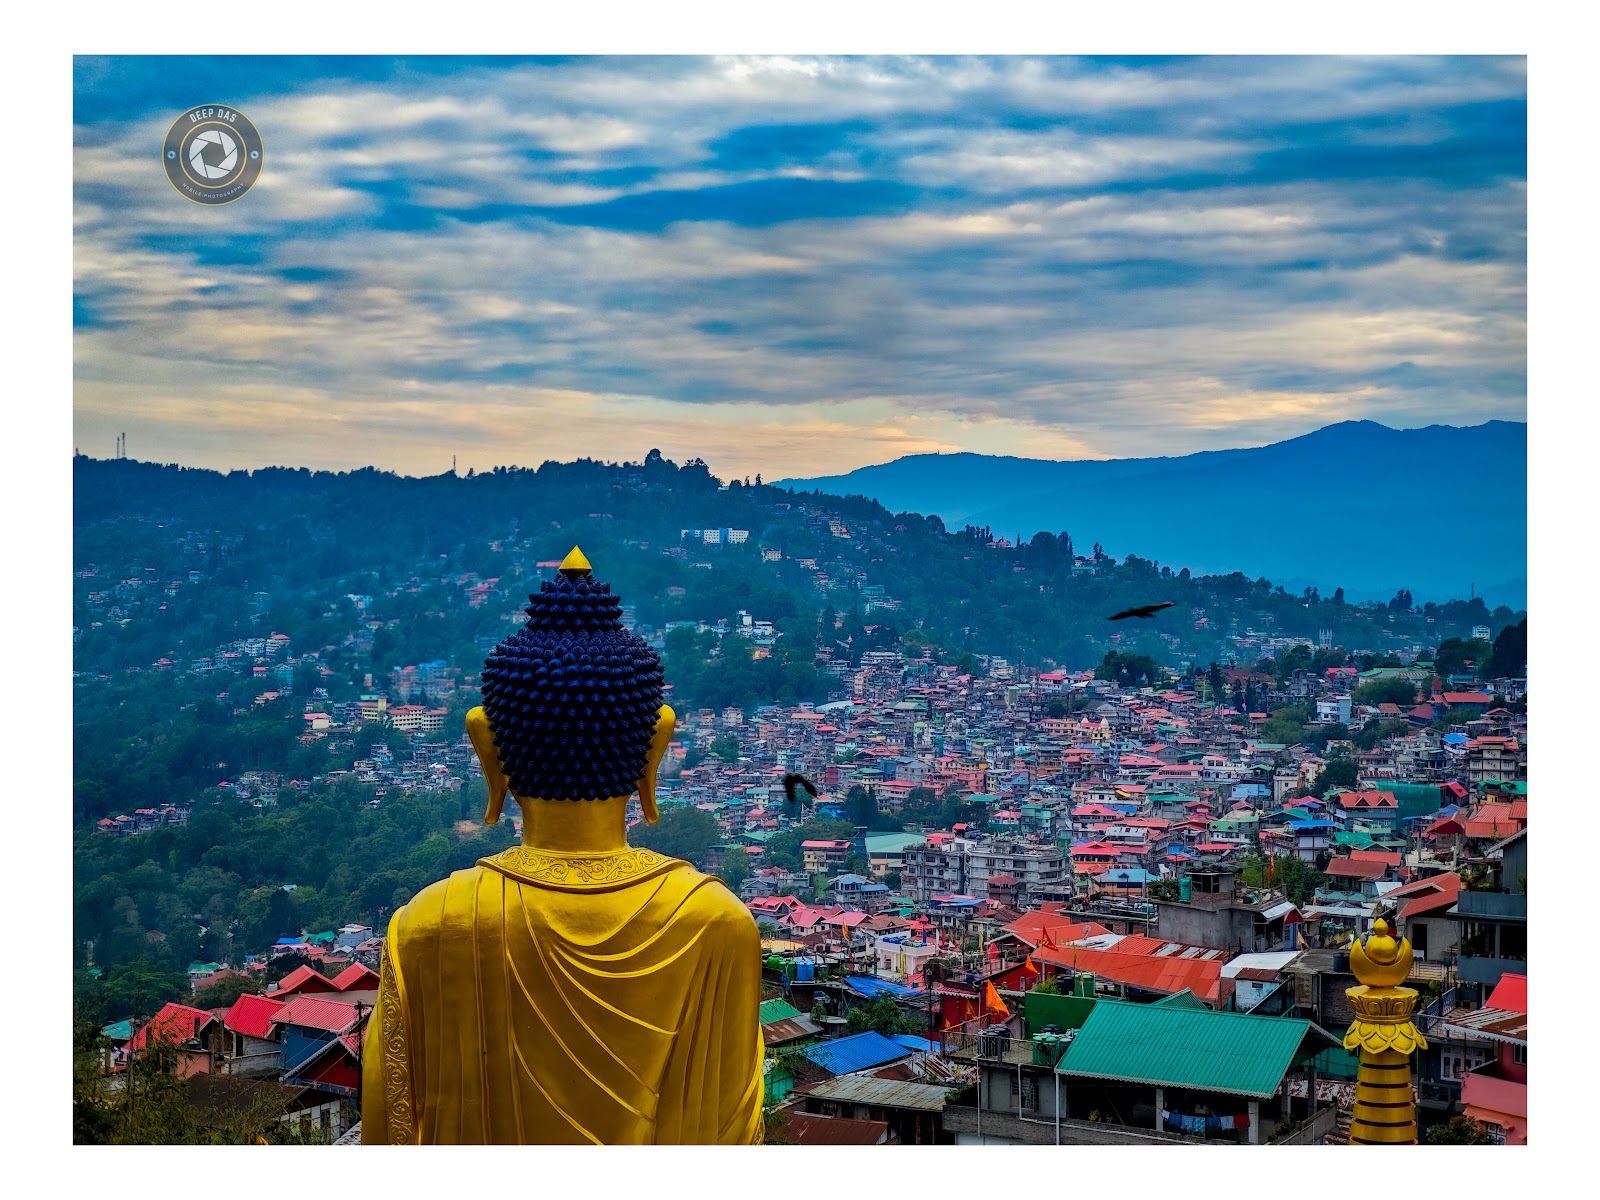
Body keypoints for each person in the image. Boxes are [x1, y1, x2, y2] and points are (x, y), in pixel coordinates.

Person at [361, 548, 763, 1144]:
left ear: (487, 747)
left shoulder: (427, 926)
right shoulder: (717, 923)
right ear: (656, 744)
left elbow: (389, 1134)